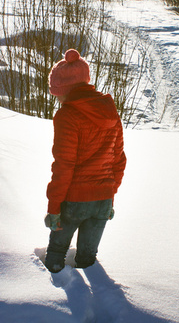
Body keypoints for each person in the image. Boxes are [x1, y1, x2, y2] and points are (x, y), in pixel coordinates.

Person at [43, 49, 126, 273]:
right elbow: (118, 160)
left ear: (66, 90)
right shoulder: (111, 111)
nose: (57, 98)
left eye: (58, 93)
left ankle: (48, 301)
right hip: (103, 201)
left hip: (74, 201)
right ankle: (95, 301)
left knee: (56, 256)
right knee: (88, 259)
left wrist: (54, 208)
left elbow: (64, 166)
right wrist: (110, 195)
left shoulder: (67, 116)